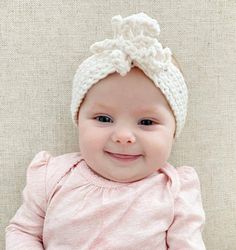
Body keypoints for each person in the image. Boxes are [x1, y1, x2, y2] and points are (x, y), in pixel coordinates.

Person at [5, 12, 206, 249]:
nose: (123, 136)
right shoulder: (53, 176)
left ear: (173, 131)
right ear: (78, 120)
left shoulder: (175, 191)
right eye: (103, 118)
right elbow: (23, 231)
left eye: (147, 122)